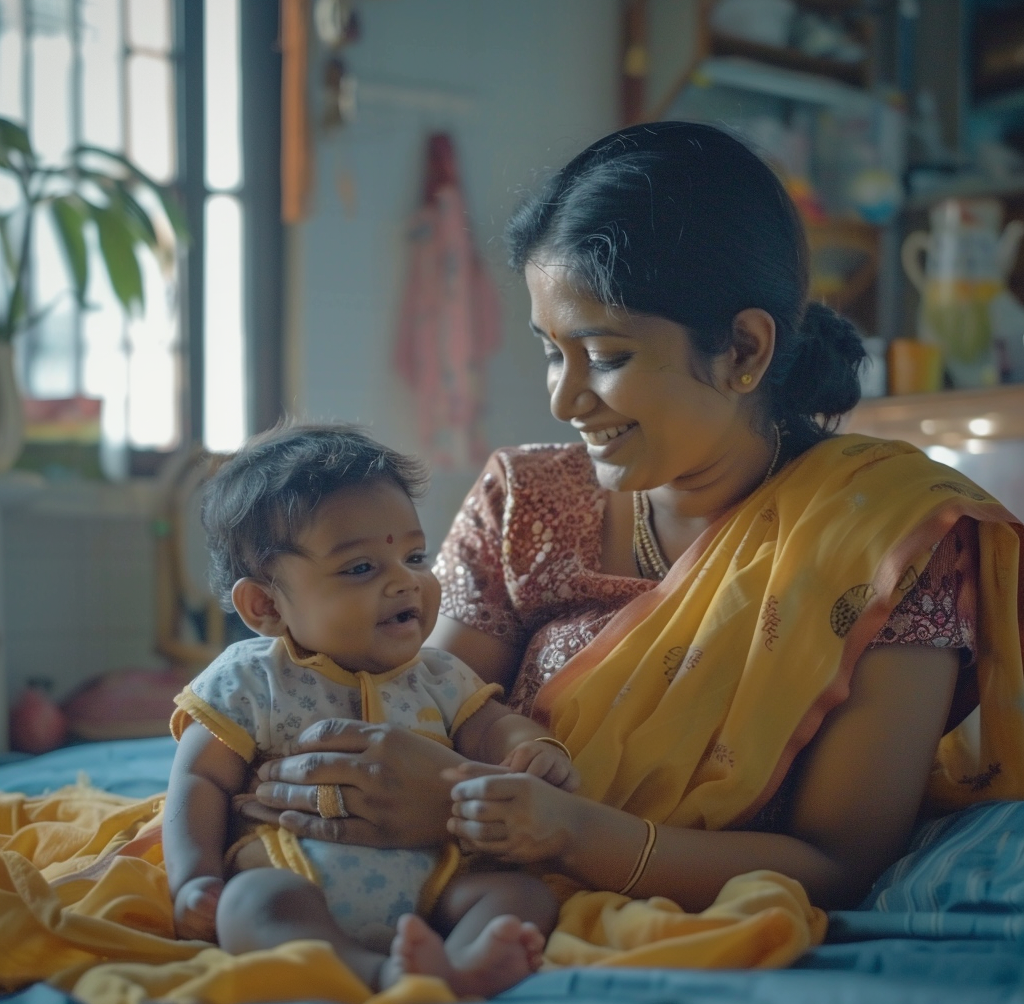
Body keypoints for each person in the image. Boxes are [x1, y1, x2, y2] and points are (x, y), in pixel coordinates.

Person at [234, 122, 1024, 924]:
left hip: (539, 903)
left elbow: (837, 863)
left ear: (744, 349)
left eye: (605, 357)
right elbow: (407, 708)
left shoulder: (891, 541)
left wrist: (561, 831)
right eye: (551, 351)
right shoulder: (525, 500)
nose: (563, 398)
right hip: (456, 893)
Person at [162, 422, 578, 997]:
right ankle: (381, 975)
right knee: (250, 907)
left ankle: (456, 966)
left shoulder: (437, 674)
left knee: (522, 895)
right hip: (294, 871)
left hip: (435, 880)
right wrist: (193, 879)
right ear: (266, 605)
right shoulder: (250, 678)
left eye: (414, 555)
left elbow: (491, 727)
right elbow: (199, 779)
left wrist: (530, 749)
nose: (405, 581)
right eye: (361, 568)